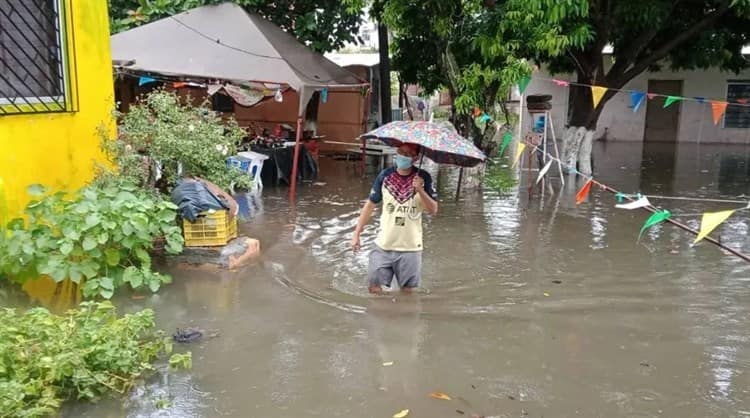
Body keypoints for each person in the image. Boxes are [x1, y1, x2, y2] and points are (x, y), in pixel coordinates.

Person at [351, 143, 438, 294]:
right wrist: (356, 233)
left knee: (408, 293)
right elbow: (370, 205)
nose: (403, 155)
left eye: (408, 153)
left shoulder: (424, 178)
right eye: (400, 151)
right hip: (383, 245)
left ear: (416, 158)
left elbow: (433, 210)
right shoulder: (385, 176)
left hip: (410, 248)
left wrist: (420, 190)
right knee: (374, 288)